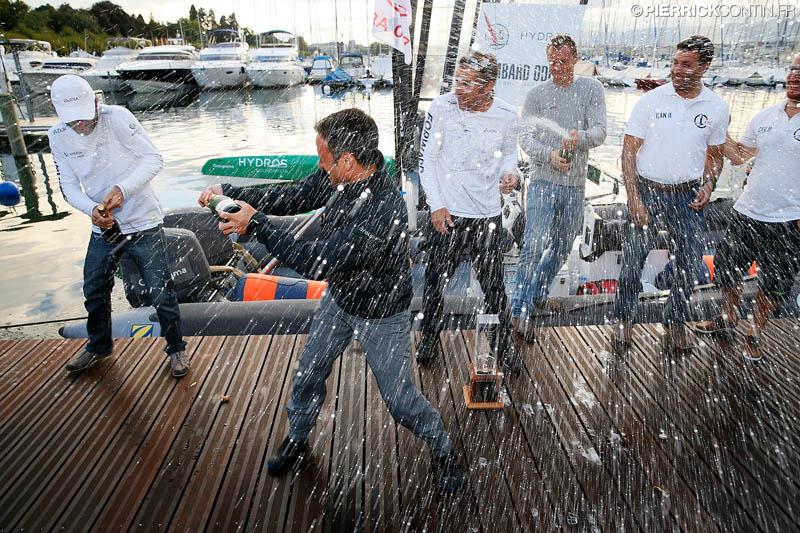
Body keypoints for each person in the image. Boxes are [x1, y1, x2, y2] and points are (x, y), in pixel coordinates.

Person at [198, 108, 463, 493]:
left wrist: (255, 224)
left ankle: (443, 451)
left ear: (348, 161)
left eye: (324, 159)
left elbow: (315, 262)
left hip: (382, 313)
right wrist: (232, 193)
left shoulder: (380, 211)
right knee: (308, 372)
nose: (320, 166)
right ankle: (299, 434)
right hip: (340, 300)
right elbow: (293, 196)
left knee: (400, 400)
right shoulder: (337, 178)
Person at [48, 75, 188, 378]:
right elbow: (68, 185)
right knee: (94, 288)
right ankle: (99, 347)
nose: (82, 126)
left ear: (96, 103)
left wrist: (122, 189)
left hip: (144, 222)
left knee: (160, 292)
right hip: (104, 226)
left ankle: (176, 348)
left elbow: (153, 159)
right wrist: (92, 209)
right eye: (75, 122)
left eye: (86, 118)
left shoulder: (118, 118)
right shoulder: (57, 136)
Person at [612, 36, 729, 353]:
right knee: (634, 260)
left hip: (688, 195)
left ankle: (674, 321)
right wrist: (634, 197)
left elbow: (715, 155)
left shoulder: (716, 107)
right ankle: (624, 321)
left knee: (690, 263)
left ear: (704, 67)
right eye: (676, 62)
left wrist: (708, 185)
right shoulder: (652, 101)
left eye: (686, 64)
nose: (677, 69)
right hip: (648, 190)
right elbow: (628, 151)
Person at [416, 51, 521, 370]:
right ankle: (430, 338)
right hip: (447, 216)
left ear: (489, 85)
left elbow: (509, 156)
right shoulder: (441, 108)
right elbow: (427, 161)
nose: (458, 88)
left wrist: (510, 173)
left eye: (467, 83)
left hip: (486, 217)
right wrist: (436, 205)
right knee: (435, 285)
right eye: (457, 80)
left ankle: (504, 346)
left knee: (495, 290)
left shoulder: (505, 115)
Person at [692, 54, 800, 360]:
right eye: (792, 68)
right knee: (727, 270)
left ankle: (755, 330)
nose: (795, 75)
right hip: (748, 211)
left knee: (776, 282)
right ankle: (728, 318)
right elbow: (740, 156)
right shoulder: (765, 117)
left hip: (790, 220)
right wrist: (720, 133)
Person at [511, 34, 607, 339]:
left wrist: (578, 138)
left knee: (564, 245)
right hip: (542, 181)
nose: (558, 67)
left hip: (576, 186)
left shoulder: (591, 89)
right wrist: (549, 155)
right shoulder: (537, 95)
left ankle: (538, 292)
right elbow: (525, 138)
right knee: (534, 244)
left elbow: (601, 131)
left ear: (575, 59)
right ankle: (520, 309)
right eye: (553, 61)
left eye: (564, 61)